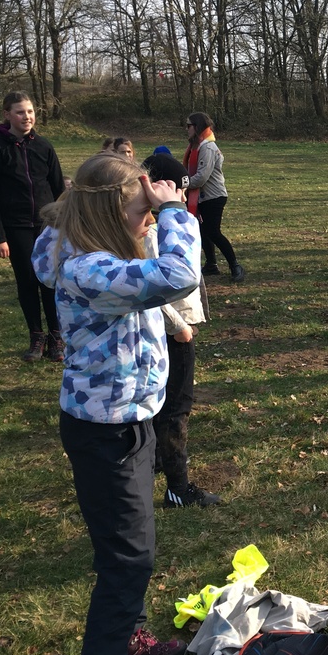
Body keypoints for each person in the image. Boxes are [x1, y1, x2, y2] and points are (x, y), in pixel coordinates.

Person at [31, 153, 199, 655]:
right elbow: (179, 274)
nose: (148, 219)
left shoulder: (80, 245)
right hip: (107, 433)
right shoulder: (88, 268)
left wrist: (128, 200)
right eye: (139, 209)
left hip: (127, 421)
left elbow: (73, 212)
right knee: (129, 559)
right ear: (105, 213)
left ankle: (127, 636)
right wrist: (173, 209)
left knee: (130, 546)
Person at [142, 157, 220, 509]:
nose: (184, 193)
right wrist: (180, 327)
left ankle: (157, 461)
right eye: (180, 187)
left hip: (175, 326)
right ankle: (178, 487)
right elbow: (155, 285)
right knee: (175, 407)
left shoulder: (152, 226)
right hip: (172, 331)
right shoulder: (153, 231)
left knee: (164, 405)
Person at [0, 91, 66, 362]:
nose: (26, 117)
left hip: (47, 226)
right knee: (28, 280)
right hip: (16, 227)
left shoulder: (44, 146)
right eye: (20, 112)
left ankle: (56, 337)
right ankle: (36, 336)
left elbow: (59, 189)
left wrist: (64, 224)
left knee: (50, 280)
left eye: (29, 111)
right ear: (7, 115)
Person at [184, 112, 244, 282]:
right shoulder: (197, 146)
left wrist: (182, 183)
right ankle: (211, 265)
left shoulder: (207, 148)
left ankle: (235, 266)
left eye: (188, 125)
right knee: (203, 231)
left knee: (213, 232)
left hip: (214, 197)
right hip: (203, 197)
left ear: (197, 127)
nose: (186, 129)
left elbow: (201, 177)